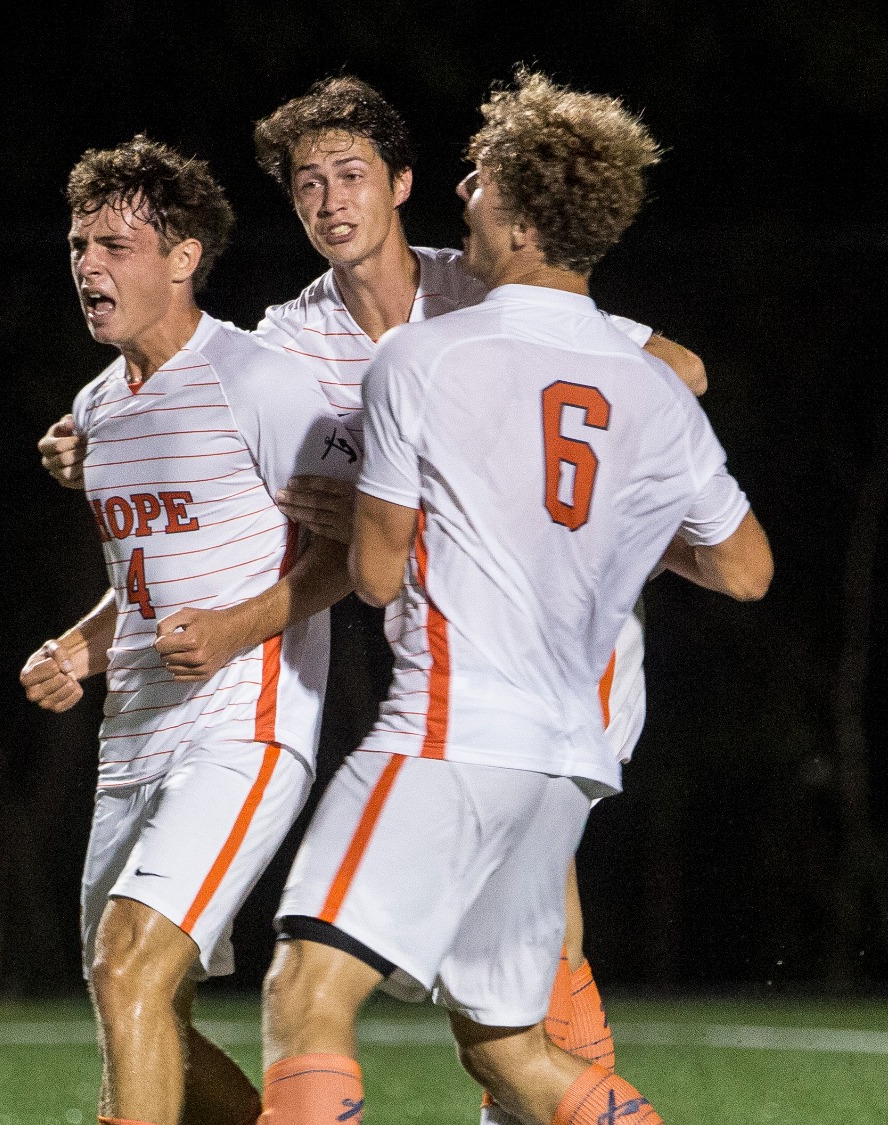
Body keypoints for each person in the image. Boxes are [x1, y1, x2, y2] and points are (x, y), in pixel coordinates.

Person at [37, 76, 706, 1097]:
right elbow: (203, 415)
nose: (327, 201)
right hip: (444, 667)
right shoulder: (287, 339)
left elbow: (678, 374)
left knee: (479, 963)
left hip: (553, 651)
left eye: (348, 175)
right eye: (305, 183)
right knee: (495, 987)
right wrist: (103, 438)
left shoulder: (482, 289)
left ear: (401, 184)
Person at [255, 70, 772, 1125]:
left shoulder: (427, 349)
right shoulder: (639, 390)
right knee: (508, 1044)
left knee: (304, 996)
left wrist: (399, 508)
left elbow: (373, 574)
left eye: (477, 181)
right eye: (305, 181)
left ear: (520, 220)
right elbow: (745, 569)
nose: (462, 190)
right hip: (565, 729)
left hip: (456, 718)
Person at [18, 136, 361, 1125]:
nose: (87, 266)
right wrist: (76, 650)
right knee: (136, 999)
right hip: (132, 737)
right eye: (79, 244)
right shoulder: (94, 412)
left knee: (126, 969)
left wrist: (233, 629)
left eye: (114, 245)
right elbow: (138, 589)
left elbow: (351, 551)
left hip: (241, 727)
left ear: (182, 256)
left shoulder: (256, 381)